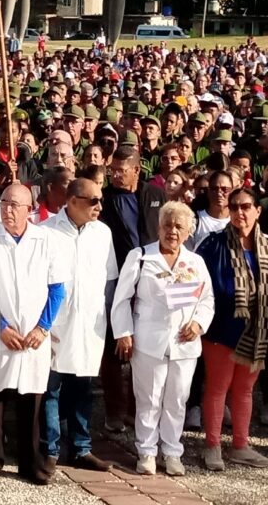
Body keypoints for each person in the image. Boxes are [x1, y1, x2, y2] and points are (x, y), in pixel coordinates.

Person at [112, 202, 214, 476]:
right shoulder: (141, 256)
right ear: (158, 227)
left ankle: (172, 452)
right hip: (149, 340)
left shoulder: (195, 262)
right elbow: (121, 299)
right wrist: (124, 333)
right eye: (167, 225)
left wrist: (198, 323)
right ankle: (146, 451)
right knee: (149, 398)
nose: (172, 231)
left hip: (184, 343)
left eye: (179, 226)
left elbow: (207, 300)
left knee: (177, 399)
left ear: (188, 231)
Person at [0, 184, 66, 486]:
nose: (8, 210)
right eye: (4, 203)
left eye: (15, 205)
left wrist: (43, 327)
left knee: (32, 401)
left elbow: (57, 288)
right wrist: (0, 327)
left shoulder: (46, 239)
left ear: (30, 209)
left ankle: (30, 462)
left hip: (33, 336)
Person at [40, 178, 119, 479]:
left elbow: (108, 279)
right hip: (57, 323)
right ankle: (49, 450)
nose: (99, 206)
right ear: (72, 201)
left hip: (89, 323)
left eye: (101, 199)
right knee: (51, 388)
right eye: (93, 200)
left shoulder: (103, 233)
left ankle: (81, 448)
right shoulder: (46, 232)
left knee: (83, 389)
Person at [196, 188, 268, 470]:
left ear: (257, 211)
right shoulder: (214, 244)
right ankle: (212, 446)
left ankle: (240, 445)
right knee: (217, 388)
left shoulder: (266, 245)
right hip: (221, 329)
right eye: (234, 207)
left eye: (246, 206)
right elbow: (197, 283)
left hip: (255, 332)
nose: (240, 212)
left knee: (245, 390)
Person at [99, 146, 166, 432]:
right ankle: (114, 411)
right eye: (112, 170)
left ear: (137, 170)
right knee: (114, 342)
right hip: (117, 276)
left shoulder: (156, 195)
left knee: (145, 343)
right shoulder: (104, 197)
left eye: (121, 171)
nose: (115, 175)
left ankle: (137, 410)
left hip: (150, 276)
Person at [189, 171, 232, 250]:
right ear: (208, 191)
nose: (219, 193)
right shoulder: (194, 219)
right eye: (214, 189)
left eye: (225, 189)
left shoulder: (236, 220)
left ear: (232, 191)